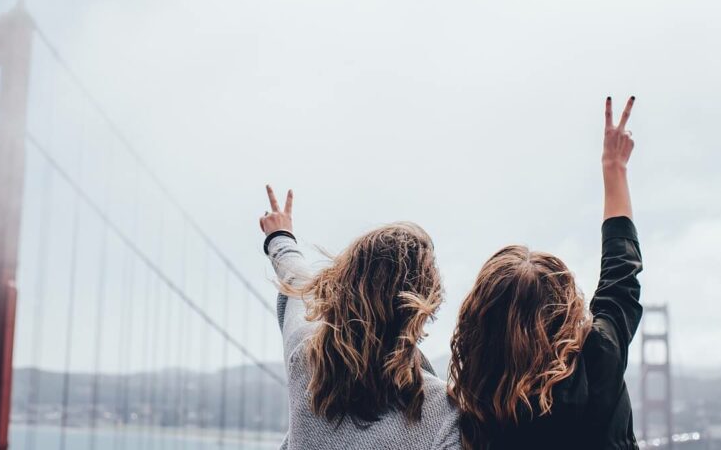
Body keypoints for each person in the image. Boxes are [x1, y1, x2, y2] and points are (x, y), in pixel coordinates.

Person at [448, 95, 644, 449]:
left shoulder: (475, 404)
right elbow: (621, 278)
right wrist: (614, 167)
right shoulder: (599, 359)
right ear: (565, 308)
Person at [258, 185, 460, 450]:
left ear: (341, 284)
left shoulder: (304, 356)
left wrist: (280, 236)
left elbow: (296, 279)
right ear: (426, 305)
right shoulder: (446, 414)